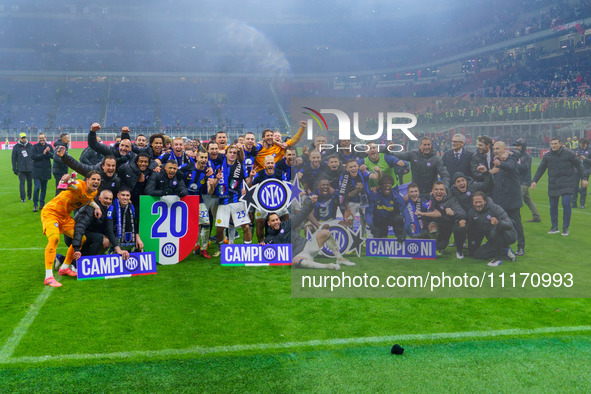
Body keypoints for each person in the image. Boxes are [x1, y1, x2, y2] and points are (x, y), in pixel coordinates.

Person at [40, 170, 103, 287]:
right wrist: (66, 179)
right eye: (93, 179)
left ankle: (64, 267)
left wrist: (97, 207)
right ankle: (48, 277)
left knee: (81, 238)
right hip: (51, 213)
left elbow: (87, 199)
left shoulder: (94, 192)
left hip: (65, 217)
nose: (96, 182)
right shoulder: (79, 185)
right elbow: (70, 185)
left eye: (98, 180)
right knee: (54, 239)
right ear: (87, 180)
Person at [263, 195, 349, 270]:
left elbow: (301, 215)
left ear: (279, 220)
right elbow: (270, 255)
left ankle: (340, 258)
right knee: (295, 261)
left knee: (325, 232)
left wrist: (311, 203)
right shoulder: (269, 238)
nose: (276, 222)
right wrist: (263, 245)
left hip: (307, 246)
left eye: (277, 220)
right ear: (268, 223)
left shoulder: (287, 225)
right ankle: (327, 266)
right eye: (273, 221)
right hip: (298, 256)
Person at [532, 137, 587, 236]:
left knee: (566, 204)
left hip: (567, 183)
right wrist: (535, 181)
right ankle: (554, 227)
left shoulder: (569, 154)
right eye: (552, 144)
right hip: (553, 183)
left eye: (555, 144)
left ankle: (565, 228)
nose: (553, 145)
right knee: (553, 207)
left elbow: (579, 165)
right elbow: (541, 168)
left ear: (560, 144)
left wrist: (584, 178)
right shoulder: (547, 155)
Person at [209, 145, 253, 256]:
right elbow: (213, 186)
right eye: (230, 152)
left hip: (237, 201)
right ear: (226, 154)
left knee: (246, 227)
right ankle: (221, 248)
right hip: (223, 202)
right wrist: (217, 180)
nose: (233, 154)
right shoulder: (219, 167)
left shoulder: (241, 167)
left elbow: (248, 184)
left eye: (235, 152)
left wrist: (251, 177)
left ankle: (248, 250)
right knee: (219, 229)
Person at [491, 141, 525, 256]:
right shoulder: (494, 160)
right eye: (494, 148)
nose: (495, 150)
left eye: (498, 148)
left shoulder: (510, 158)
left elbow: (511, 167)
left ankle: (521, 246)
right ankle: (505, 247)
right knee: (501, 224)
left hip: (511, 198)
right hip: (499, 198)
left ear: (504, 149)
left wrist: (500, 163)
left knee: (516, 223)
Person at [468, 192, 518, 267]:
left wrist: (498, 223)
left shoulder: (495, 208)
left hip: (508, 236)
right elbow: (471, 228)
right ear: (472, 202)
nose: (478, 205)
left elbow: (509, 224)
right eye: (476, 202)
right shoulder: (472, 212)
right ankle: (504, 250)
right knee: (477, 255)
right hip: (492, 239)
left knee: (495, 230)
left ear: (485, 201)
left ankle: (498, 259)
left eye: (480, 202)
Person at [180, 148, 214, 258]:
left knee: (206, 223)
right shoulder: (186, 167)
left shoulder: (208, 172)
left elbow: (210, 191)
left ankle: (203, 249)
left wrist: (212, 182)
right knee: (185, 226)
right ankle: (188, 247)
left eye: (205, 158)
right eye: (202, 157)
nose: (203, 160)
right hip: (183, 200)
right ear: (196, 157)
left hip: (199, 200)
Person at [70, 189, 120, 258]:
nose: (108, 201)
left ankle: (61, 258)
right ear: (99, 198)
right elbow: (80, 227)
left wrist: (117, 248)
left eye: (110, 199)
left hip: (87, 233)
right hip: (74, 234)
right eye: (106, 198)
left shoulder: (107, 209)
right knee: (99, 238)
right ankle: (90, 260)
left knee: (104, 241)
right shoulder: (90, 209)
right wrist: (76, 248)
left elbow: (109, 229)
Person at [56, 147, 121, 195]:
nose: (111, 168)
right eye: (108, 165)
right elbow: (78, 166)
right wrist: (65, 157)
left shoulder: (117, 178)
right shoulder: (93, 171)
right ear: (103, 166)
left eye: (113, 166)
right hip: (88, 204)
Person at [367, 175, 406, 243]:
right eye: (385, 183)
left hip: (392, 218)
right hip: (380, 219)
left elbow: (406, 214)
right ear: (381, 185)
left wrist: (404, 232)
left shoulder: (396, 196)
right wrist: (371, 226)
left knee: (399, 219)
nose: (387, 185)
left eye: (390, 183)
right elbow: (368, 212)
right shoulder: (374, 194)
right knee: (377, 222)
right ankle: (381, 240)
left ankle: (399, 238)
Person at [106, 187, 144, 253]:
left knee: (140, 246)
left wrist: (137, 237)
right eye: (123, 195)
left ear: (130, 196)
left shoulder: (130, 206)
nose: (125, 198)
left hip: (125, 235)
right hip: (110, 233)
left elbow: (134, 223)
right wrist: (117, 248)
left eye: (127, 195)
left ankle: (128, 249)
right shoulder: (112, 207)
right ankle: (113, 250)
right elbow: (109, 230)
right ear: (118, 196)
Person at [513, 139, 541, 222]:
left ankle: (514, 218)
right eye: (516, 146)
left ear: (523, 146)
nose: (516, 147)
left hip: (525, 181)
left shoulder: (527, 157)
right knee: (527, 200)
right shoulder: (516, 156)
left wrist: (515, 164)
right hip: (518, 180)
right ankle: (536, 216)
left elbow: (525, 167)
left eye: (518, 146)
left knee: (516, 199)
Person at [31, 133, 54, 211]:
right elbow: (33, 157)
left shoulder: (49, 146)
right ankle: (35, 204)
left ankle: (42, 204)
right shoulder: (35, 147)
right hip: (37, 170)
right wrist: (43, 154)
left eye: (43, 138)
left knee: (44, 189)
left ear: (45, 138)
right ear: (38, 138)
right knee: (37, 188)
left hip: (46, 170)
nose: (41, 139)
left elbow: (53, 156)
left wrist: (48, 152)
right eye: (40, 138)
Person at [12, 132, 34, 203]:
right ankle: (23, 198)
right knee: (22, 183)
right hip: (21, 169)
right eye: (22, 138)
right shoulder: (16, 147)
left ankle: (29, 196)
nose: (24, 139)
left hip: (30, 168)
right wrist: (14, 168)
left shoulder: (30, 146)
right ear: (19, 138)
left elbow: (34, 157)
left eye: (24, 137)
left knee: (30, 183)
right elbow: (13, 158)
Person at [573, 137, 591, 209]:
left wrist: (585, 159)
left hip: (586, 170)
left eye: (582, 145)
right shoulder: (576, 149)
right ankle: (574, 203)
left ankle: (582, 204)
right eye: (579, 144)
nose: (580, 146)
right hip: (576, 170)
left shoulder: (590, 149)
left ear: (585, 143)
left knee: (584, 187)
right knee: (574, 186)